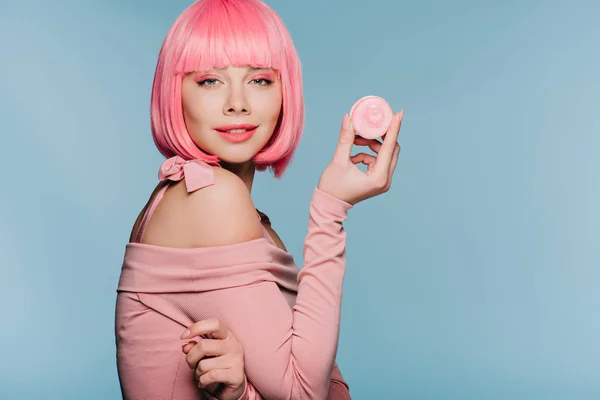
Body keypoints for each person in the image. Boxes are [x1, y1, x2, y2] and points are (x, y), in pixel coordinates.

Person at [114, 0, 403, 399]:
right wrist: (330, 211)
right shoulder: (208, 197)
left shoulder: (248, 219)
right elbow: (305, 392)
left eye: (260, 80)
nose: (238, 103)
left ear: (285, 91)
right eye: (210, 81)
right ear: (174, 93)